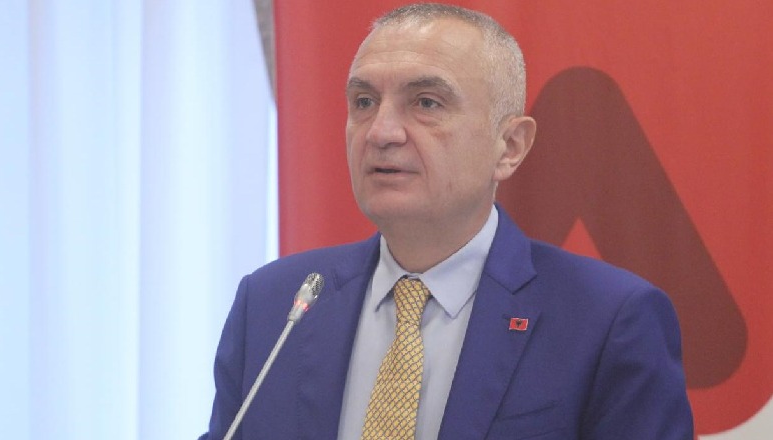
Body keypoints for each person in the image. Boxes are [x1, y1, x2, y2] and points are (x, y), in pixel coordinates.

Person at [200, 3, 693, 439]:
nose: (381, 132)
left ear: (510, 146)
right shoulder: (273, 304)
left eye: (426, 102)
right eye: (364, 102)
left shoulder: (609, 320)